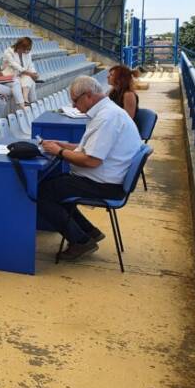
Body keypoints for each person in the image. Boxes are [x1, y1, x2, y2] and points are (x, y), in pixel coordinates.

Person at [38, 75, 143, 260]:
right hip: (108, 177)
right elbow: (88, 149)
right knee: (56, 185)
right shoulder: (108, 112)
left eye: (75, 101)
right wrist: (62, 145)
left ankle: (80, 241)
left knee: (42, 192)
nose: (73, 106)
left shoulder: (106, 118)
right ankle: (88, 231)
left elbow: (91, 161)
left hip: (105, 184)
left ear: (88, 96)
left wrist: (59, 152)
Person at [1, 37, 39, 105]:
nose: (27, 51)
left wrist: (34, 73)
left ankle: (25, 99)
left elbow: (30, 65)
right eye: (25, 49)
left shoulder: (27, 53)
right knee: (30, 80)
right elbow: (14, 65)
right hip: (10, 75)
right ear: (20, 46)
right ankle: (33, 101)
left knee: (29, 78)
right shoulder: (8, 52)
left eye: (28, 49)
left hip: (22, 75)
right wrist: (30, 73)